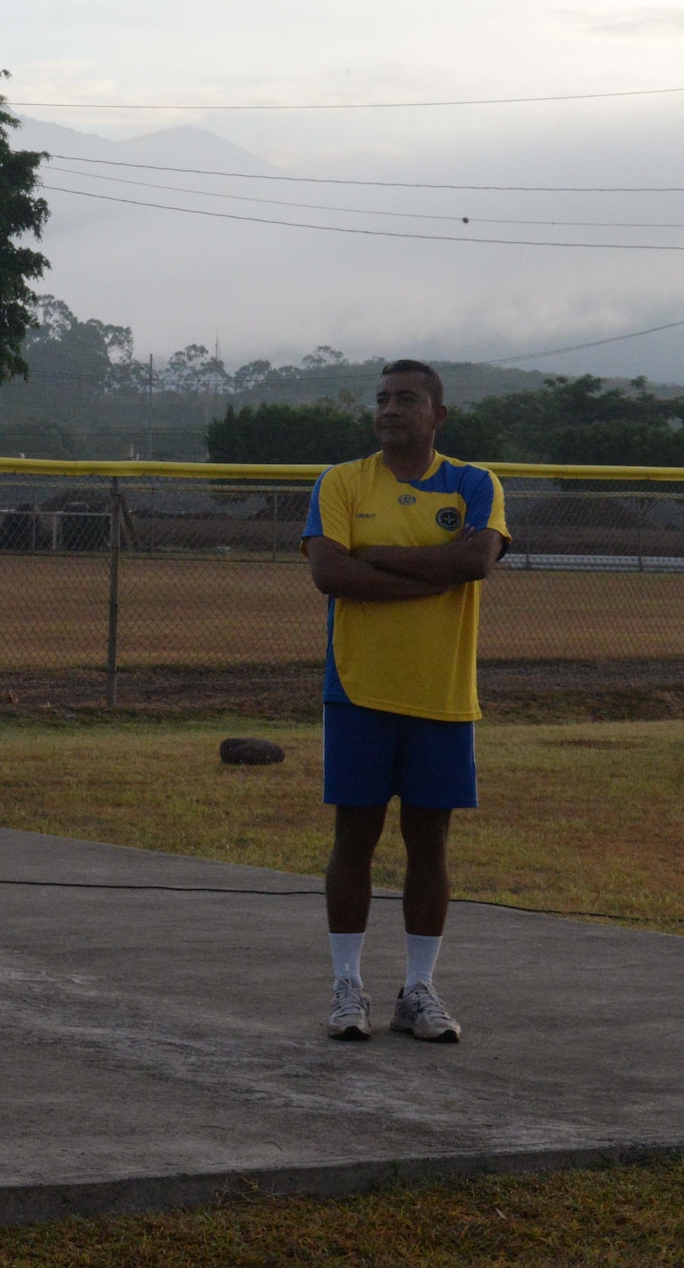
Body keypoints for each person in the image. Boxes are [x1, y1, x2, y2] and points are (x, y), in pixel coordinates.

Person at [300, 359, 508, 1045]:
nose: (391, 409)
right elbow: (330, 573)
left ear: (437, 415)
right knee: (354, 836)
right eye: (383, 398)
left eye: (408, 399)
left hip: (442, 695)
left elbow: (476, 561)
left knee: (430, 839)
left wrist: (378, 558)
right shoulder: (341, 482)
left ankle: (418, 987)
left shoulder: (473, 484)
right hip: (358, 689)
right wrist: (430, 571)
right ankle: (347, 984)